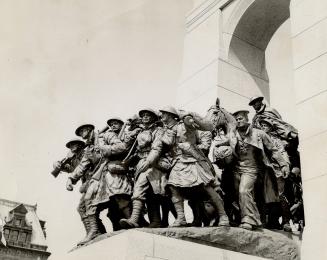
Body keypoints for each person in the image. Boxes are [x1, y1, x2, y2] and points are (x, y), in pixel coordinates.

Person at [158, 106, 230, 227]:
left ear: (170, 115)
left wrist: (189, 117)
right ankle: (181, 218)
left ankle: (223, 215)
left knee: (206, 188)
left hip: (192, 160)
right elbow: (167, 144)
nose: (161, 116)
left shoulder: (185, 123)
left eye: (164, 114)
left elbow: (207, 127)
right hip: (179, 161)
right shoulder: (168, 129)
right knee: (173, 187)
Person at [229, 110, 290, 230]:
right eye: (236, 119)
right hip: (236, 170)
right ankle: (250, 219)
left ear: (247, 119)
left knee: (243, 191)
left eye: (241, 118)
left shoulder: (258, 134)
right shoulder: (232, 134)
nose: (238, 120)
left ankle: (249, 219)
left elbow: (273, 150)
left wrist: (283, 165)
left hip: (252, 169)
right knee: (238, 196)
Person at [67, 123, 126, 245]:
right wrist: (71, 178)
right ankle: (94, 231)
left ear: (88, 130)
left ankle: (133, 221)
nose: (81, 135)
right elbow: (83, 165)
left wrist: (104, 149)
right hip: (99, 176)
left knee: (118, 200)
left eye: (82, 131)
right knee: (84, 205)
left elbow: (122, 147)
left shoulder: (105, 136)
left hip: (112, 171)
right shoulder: (89, 148)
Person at [119, 108, 169, 229]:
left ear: (153, 118)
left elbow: (157, 148)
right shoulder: (139, 131)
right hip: (142, 163)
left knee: (146, 191)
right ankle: (153, 220)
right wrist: (129, 126)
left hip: (155, 163)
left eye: (148, 115)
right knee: (146, 193)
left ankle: (135, 219)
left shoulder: (159, 130)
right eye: (143, 115)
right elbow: (124, 142)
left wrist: (148, 161)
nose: (145, 117)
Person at [259, 118, 292, 231]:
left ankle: (286, 221)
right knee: (268, 197)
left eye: (265, 125)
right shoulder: (260, 140)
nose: (263, 127)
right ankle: (272, 222)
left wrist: (286, 165)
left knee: (281, 195)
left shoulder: (276, 140)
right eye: (261, 125)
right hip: (266, 172)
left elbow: (282, 152)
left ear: (270, 128)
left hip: (278, 171)